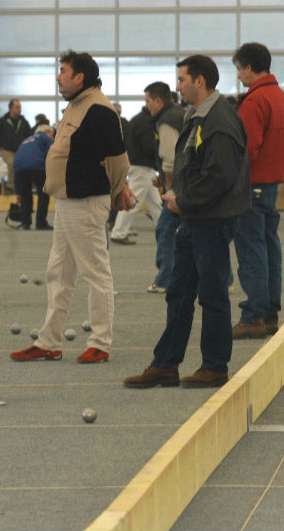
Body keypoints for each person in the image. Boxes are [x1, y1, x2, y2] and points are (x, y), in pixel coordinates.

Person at [124, 55, 251, 389]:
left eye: (181, 79)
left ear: (199, 81)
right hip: (193, 218)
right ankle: (166, 364)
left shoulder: (219, 120)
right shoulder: (197, 115)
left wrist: (183, 200)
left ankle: (215, 366)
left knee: (212, 295)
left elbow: (219, 176)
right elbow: (196, 165)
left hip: (210, 220)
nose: (177, 86)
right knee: (178, 294)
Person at [10, 50, 133, 365]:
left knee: (96, 273)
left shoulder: (99, 110)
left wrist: (117, 189)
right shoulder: (76, 105)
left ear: (80, 77)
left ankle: (100, 342)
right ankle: (49, 341)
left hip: (86, 201)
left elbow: (118, 159)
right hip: (67, 201)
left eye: (63, 71)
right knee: (58, 272)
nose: (58, 76)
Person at [230, 42, 284, 339]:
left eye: (240, 69)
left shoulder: (255, 101)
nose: (239, 75)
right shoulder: (279, 96)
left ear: (250, 67)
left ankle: (253, 316)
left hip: (251, 186)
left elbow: (245, 150)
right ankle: (270, 314)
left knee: (252, 253)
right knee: (269, 250)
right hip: (272, 186)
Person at [144, 81, 185, 294]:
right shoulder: (179, 114)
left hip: (179, 187)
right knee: (198, 231)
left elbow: (170, 159)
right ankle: (225, 279)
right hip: (188, 183)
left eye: (148, 101)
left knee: (165, 229)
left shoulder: (166, 121)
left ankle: (165, 279)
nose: (146, 105)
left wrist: (170, 188)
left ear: (159, 100)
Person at [109, 104, 163, 245]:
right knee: (133, 202)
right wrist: (158, 160)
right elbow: (149, 147)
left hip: (138, 165)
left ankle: (165, 230)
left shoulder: (137, 120)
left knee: (155, 203)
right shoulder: (146, 122)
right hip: (142, 167)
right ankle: (118, 233)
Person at [13, 124, 54, 230]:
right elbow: (51, 154)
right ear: (47, 132)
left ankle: (25, 223)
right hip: (37, 166)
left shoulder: (26, 141)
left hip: (20, 168)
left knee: (25, 195)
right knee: (43, 194)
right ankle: (41, 223)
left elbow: (17, 164)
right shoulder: (45, 138)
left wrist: (18, 191)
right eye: (52, 134)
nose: (53, 137)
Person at [0, 98, 32, 194]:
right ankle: (10, 187)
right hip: (6, 150)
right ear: (10, 108)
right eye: (17, 107)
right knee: (12, 163)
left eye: (20, 107)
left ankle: (23, 187)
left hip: (21, 150)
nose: (19, 109)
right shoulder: (1, 122)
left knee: (26, 164)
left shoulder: (24, 122)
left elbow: (29, 136)